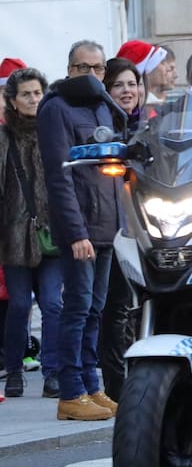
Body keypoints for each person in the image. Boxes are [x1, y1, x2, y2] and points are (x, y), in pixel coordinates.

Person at [38, 39, 122, 421]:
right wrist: (76, 233)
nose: (91, 75)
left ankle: (91, 385)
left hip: (107, 225)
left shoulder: (104, 107)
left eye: (98, 68)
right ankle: (70, 393)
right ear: (69, 69)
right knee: (77, 308)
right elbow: (60, 177)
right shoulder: (56, 108)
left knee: (95, 310)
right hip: (82, 229)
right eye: (83, 68)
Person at [1, 67, 62, 399]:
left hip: (52, 236)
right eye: (26, 94)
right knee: (21, 305)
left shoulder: (54, 132)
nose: (33, 99)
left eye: (38, 92)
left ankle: (52, 372)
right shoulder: (3, 137)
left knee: (53, 304)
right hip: (14, 239)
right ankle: (14, 370)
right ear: (12, 100)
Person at [95, 58, 142, 401]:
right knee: (115, 310)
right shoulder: (103, 126)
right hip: (114, 231)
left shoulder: (156, 124)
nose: (127, 91)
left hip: (154, 228)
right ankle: (116, 387)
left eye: (132, 84)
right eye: (119, 85)